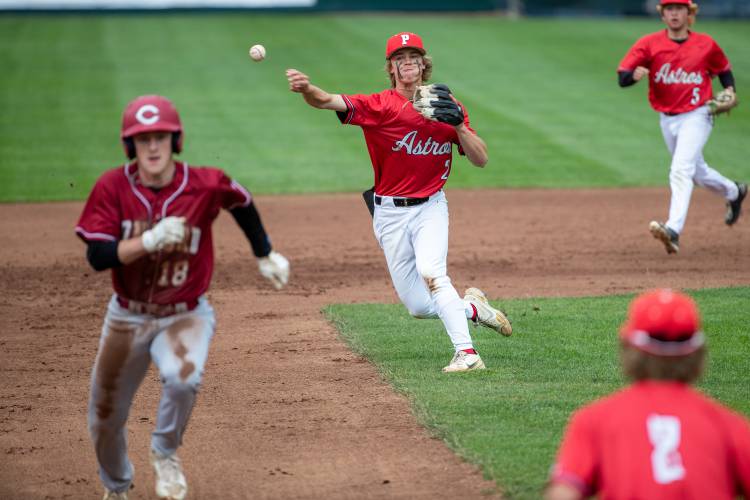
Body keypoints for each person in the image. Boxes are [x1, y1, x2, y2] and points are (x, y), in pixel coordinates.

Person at [75, 95, 290, 500]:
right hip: (127, 316)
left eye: (160, 137)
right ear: (129, 145)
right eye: (143, 139)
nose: (152, 147)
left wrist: (264, 252)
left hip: (186, 314)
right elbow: (97, 256)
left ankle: (165, 452)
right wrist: (148, 240)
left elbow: (241, 201)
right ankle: (117, 486)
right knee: (104, 417)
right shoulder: (112, 186)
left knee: (182, 377)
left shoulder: (204, 183)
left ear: (175, 140)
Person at [285, 32, 512, 373]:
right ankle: (475, 310)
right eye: (400, 58)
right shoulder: (379, 106)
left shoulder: (446, 105)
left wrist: (459, 129)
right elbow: (325, 100)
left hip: (431, 207)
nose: (408, 62)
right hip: (389, 212)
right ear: (391, 67)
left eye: (414, 56)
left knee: (432, 273)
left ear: (424, 64)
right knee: (419, 306)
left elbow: (480, 159)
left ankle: (467, 354)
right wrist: (306, 89)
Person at [545, 289, 750, 499]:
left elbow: (563, 494)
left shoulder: (595, 420)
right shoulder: (729, 426)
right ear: (697, 354)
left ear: (630, 349)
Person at [617, 0, 746, 254]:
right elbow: (622, 77)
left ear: (690, 14)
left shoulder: (706, 44)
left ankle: (673, 229)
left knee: (680, 169)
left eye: (679, 8)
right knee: (696, 172)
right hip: (667, 118)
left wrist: (729, 89)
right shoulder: (649, 44)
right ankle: (735, 191)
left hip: (698, 114)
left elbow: (724, 69)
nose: (674, 13)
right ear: (662, 15)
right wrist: (633, 76)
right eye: (669, 9)